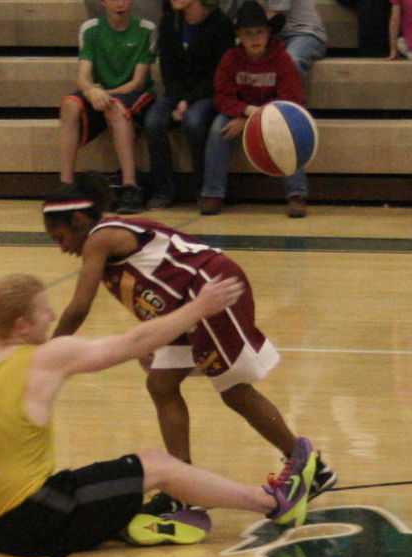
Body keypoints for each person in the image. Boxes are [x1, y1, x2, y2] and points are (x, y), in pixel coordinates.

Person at [0, 272, 317, 557]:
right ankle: (274, 503)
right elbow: (131, 343)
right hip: (37, 517)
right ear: (21, 326)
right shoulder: (45, 357)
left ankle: (129, 523)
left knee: (111, 479)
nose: (53, 314)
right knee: (157, 464)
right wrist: (198, 308)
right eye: (43, 310)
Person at [43, 171, 336, 518]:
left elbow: (79, 307)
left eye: (60, 237)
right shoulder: (112, 238)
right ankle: (184, 485)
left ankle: (309, 466)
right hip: (187, 301)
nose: (62, 248)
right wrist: (153, 334)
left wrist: (46, 355)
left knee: (234, 390)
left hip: (210, 289)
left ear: (78, 220)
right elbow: (154, 284)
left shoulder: (99, 238)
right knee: (161, 384)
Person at [200, 1, 310, 218]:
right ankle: (212, 193)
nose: (255, 38)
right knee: (217, 130)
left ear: (269, 33)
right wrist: (246, 112)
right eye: (248, 33)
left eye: (259, 32)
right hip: (241, 112)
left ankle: (296, 194)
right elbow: (222, 97)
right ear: (239, 35)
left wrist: (257, 117)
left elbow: (293, 99)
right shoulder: (230, 58)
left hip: (276, 114)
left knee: (291, 132)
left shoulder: (282, 58)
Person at [59, 0, 156, 215]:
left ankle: (130, 186)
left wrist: (104, 95)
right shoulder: (91, 29)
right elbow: (83, 78)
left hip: (134, 95)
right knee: (70, 105)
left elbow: (137, 82)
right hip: (100, 93)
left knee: (115, 108)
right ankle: (65, 187)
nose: (119, 3)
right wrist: (92, 91)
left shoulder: (145, 29)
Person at [143, 0, 236, 209]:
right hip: (177, 95)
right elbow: (168, 69)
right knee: (153, 121)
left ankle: (203, 189)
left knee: (194, 121)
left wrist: (189, 101)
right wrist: (178, 100)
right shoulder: (169, 22)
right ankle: (163, 190)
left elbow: (218, 74)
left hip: (207, 94)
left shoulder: (220, 24)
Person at [260, 0, 327, 86]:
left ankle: (292, 99)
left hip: (305, 32)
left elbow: (275, 17)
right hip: (273, 34)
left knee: (291, 61)